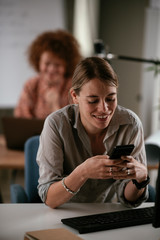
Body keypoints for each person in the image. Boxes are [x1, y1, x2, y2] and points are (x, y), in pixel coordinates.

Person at [37, 57, 149, 209]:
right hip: (65, 212)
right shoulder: (56, 124)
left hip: (108, 212)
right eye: (93, 101)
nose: (104, 109)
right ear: (75, 96)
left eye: (111, 99)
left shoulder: (130, 124)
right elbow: (49, 198)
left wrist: (141, 179)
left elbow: (129, 199)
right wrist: (82, 172)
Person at [14, 30, 82, 119]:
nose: (51, 69)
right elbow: (21, 120)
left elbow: (74, 126)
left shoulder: (74, 87)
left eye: (57, 65)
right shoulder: (31, 84)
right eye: (47, 63)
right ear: (39, 62)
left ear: (66, 66)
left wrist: (54, 106)